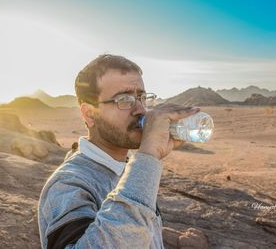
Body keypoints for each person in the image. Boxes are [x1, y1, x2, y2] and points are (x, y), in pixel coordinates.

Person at [38, 54, 200, 248]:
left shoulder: (130, 170)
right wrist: (148, 155)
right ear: (90, 114)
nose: (140, 109)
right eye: (124, 99)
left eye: (141, 97)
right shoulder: (68, 184)